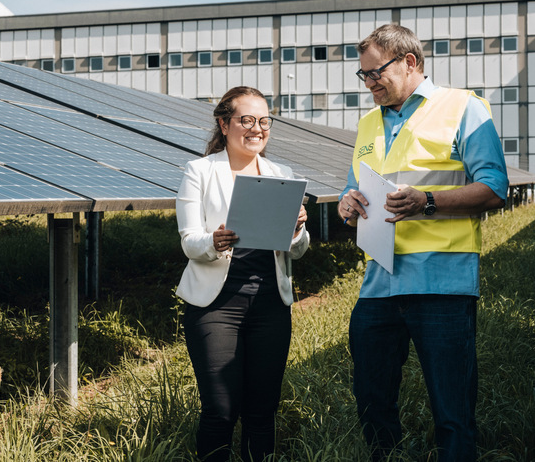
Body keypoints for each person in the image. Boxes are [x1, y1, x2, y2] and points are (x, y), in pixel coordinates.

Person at [339, 24, 508, 462]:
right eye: (364, 76)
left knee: (452, 411)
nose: (370, 83)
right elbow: (353, 187)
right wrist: (347, 203)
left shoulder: (464, 108)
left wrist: (427, 201)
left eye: (376, 73)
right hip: (378, 286)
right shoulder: (366, 125)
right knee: (373, 403)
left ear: (409, 62)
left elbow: (494, 187)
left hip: (441, 285)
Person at [176, 85, 310, 461]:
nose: (257, 128)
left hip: (270, 304)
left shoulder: (281, 173)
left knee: (262, 412)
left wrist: (298, 228)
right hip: (216, 305)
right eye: (246, 119)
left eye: (264, 120)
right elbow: (189, 241)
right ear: (223, 123)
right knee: (220, 410)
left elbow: (297, 251)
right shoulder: (200, 171)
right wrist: (214, 241)